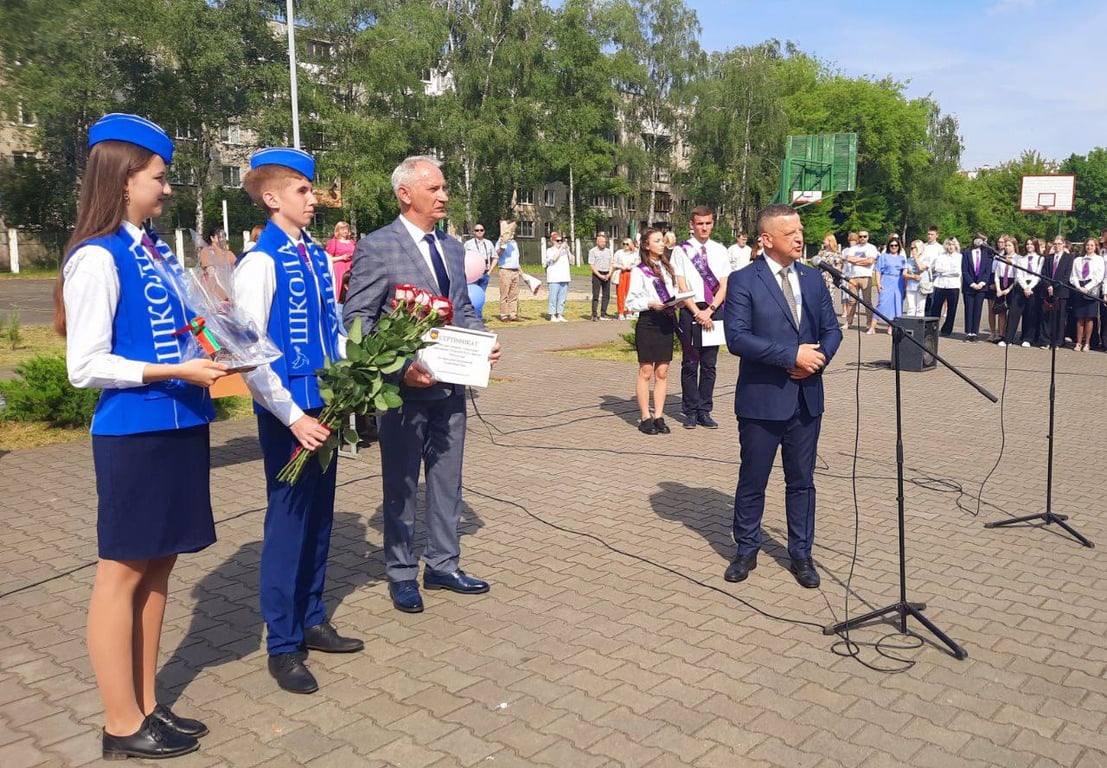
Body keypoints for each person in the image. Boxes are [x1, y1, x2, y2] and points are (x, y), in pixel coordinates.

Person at [60, 114, 228, 760]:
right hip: (133, 434)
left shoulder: (153, 249)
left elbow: (185, 327)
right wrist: (175, 369)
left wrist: (218, 344)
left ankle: (147, 705)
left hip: (180, 424)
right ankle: (119, 723)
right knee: (120, 574)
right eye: (159, 178)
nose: (166, 189)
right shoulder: (96, 256)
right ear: (124, 178)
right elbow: (85, 366)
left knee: (159, 568)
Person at [343, 155, 501, 614]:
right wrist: (401, 366)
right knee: (402, 483)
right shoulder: (377, 246)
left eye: (445, 187)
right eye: (434, 188)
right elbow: (359, 321)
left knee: (448, 482)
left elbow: (463, 310)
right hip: (403, 392)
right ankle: (400, 572)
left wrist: (483, 343)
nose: (444, 196)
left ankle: (443, 564)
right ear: (406, 193)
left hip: (451, 389)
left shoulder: (452, 248)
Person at [235, 147, 363, 695]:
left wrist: (349, 379)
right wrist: (291, 417)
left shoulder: (312, 253)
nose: (314, 199)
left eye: (311, 191)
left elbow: (329, 326)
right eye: (303, 192)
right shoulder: (260, 263)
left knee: (319, 517)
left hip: (325, 407)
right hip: (289, 414)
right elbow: (250, 354)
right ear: (272, 198)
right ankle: (283, 644)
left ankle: (312, 618)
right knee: (287, 523)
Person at [722, 204, 842, 588]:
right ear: (767, 239)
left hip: (807, 397)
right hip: (762, 399)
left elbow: (832, 330)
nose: (799, 237)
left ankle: (801, 554)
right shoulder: (743, 280)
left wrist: (816, 360)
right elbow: (737, 337)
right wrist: (792, 355)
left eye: (800, 230)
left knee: (802, 481)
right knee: (753, 478)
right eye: (790, 233)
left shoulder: (812, 278)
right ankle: (746, 549)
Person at [671, 206, 729, 429]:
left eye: (708, 223)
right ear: (691, 225)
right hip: (691, 310)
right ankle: (690, 411)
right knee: (690, 362)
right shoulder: (681, 251)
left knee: (709, 364)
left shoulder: (720, 250)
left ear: (713, 223)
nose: (704, 228)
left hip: (714, 310)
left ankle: (705, 410)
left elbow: (724, 284)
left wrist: (710, 310)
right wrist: (697, 312)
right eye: (700, 224)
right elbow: (682, 285)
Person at [625, 227, 685, 435]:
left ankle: (659, 415)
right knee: (646, 371)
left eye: (662, 240)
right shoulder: (639, 270)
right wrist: (650, 303)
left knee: (662, 371)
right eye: (657, 240)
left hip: (667, 320)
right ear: (646, 245)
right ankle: (645, 417)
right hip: (649, 321)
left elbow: (674, 292)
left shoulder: (669, 268)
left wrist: (678, 301)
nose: (661, 244)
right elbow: (630, 301)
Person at [1004, 237, 1042, 347]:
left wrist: (1030, 287)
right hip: (1021, 286)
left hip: (1033, 286)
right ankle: (1008, 339)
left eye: (1031, 244)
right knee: (1014, 313)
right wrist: (1025, 287)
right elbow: (1019, 274)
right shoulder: (1022, 259)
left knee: (1030, 313)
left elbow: (1038, 275)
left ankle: (1027, 338)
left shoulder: (1040, 259)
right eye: (1027, 244)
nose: (1029, 246)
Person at [1069, 237, 1105, 352]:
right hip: (1079, 288)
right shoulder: (1078, 260)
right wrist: (1079, 287)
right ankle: (1079, 342)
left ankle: (1087, 343)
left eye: (1092, 245)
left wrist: (1087, 288)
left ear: (1096, 247)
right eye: (1087, 245)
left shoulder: (1099, 260)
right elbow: (1073, 276)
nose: (1089, 247)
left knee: (1089, 318)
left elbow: (1099, 277)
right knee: (1079, 318)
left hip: (1091, 289)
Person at [1040, 236, 1073, 348]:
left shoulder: (1069, 258)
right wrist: (1048, 285)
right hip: (1048, 291)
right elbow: (1043, 273)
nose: (1057, 246)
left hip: (1061, 292)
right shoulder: (1048, 258)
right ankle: (1046, 340)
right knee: (1047, 316)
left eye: (1059, 244)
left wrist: (1055, 287)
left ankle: (1057, 342)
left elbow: (1066, 276)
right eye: (1055, 244)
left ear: (1064, 244)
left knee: (1059, 318)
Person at [960, 233, 994, 341]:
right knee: (969, 308)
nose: (984, 243)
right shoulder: (967, 253)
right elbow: (964, 270)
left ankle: (975, 332)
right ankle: (968, 332)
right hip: (969, 286)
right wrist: (972, 283)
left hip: (981, 286)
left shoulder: (987, 254)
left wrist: (982, 283)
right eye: (982, 240)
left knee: (978, 309)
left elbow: (987, 271)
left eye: (985, 241)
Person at [843, 230, 877, 330]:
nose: (862, 238)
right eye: (860, 236)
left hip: (866, 277)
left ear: (868, 237)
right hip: (853, 277)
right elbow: (849, 259)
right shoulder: (853, 248)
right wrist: (864, 260)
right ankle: (848, 322)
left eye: (864, 236)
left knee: (867, 301)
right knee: (851, 301)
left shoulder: (871, 248)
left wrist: (856, 261)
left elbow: (870, 261)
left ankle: (869, 323)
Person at [873, 236, 906, 332]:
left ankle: (891, 327)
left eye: (896, 245)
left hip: (898, 282)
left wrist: (905, 287)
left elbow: (904, 273)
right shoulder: (883, 257)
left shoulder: (902, 258)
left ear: (899, 247)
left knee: (896, 304)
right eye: (892, 245)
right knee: (882, 303)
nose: (894, 247)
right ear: (889, 246)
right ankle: (872, 326)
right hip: (886, 280)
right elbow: (878, 271)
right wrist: (878, 283)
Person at [931, 237, 962, 337]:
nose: (950, 247)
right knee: (936, 308)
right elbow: (937, 268)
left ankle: (947, 330)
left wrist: (945, 271)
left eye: (952, 245)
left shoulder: (959, 257)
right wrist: (947, 271)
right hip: (940, 284)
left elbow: (957, 272)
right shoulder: (941, 256)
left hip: (953, 285)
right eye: (948, 245)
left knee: (951, 309)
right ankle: (933, 328)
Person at [491, 220, 520, 321]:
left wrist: (521, 272)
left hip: (515, 270)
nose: (513, 232)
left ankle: (513, 314)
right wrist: (502, 246)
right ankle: (504, 315)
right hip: (505, 270)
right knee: (504, 294)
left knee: (514, 294)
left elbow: (516, 259)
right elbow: (497, 254)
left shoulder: (514, 243)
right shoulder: (501, 241)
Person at [992, 237, 1019, 344]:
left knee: (1011, 312)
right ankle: (1001, 334)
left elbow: (1017, 276)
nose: (1007, 248)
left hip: (1012, 286)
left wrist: (1008, 289)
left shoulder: (1018, 259)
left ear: (1014, 246)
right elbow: (997, 274)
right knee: (1001, 311)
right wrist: (998, 289)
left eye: (1009, 245)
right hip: (1001, 283)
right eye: (1006, 245)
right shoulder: (1001, 258)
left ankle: (1009, 336)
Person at [324, 221, 355, 306]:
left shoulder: (352, 242)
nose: (345, 231)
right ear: (338, 231)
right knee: (340, 287)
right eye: (343, 229)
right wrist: (341, 257)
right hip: (339, 268)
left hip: (351, 267)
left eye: (346, 229)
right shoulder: (334, 242)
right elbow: (328, 258)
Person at [544, 231, 571, 321]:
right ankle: (552, 314)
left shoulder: (564, 251)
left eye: (561, 240)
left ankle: (560, 313)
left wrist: (568, 250)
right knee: (553, 297)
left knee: (562, 297)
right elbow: (554, 259)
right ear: (553, 241)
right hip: (554, 278)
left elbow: (572, 261)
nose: (560, 242)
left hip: (565, 276)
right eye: (558, 240)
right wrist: (560, 249)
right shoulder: (550, 250)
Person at [588, 232, 614, 320]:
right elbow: (592, 265)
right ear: (597, 242)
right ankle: (594, 314)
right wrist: (599, 275)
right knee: (596, 295)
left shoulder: (608, 251)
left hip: (607, 273)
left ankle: (604, 313)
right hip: (597, 274)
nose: (604, 243)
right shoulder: (593, 251)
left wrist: (609, 273)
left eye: (605, 242)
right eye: (602, 242)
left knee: (606, 295)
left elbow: (611, 263)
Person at [612, 237, 639, 319]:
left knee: (630, 293)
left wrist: (632, 266)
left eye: (627, 244)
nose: (625, 245)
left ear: (630, 244)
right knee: (620, 294)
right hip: (621, 273)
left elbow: (638, 262)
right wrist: (621, 266)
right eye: (623, 244)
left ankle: (629, 311)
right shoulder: (619, 253)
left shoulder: (634, 253)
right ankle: (620, 312)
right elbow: (613, 263)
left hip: (631, 274)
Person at [920, 226, 944, 316]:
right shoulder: (923, 246)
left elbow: (940, 262)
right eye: (928, 234)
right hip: (924, 275)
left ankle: (930, 318)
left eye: (932, 234)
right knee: (923, 299)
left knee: (932, 299)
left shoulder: (940, 248)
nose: (929, 236)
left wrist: (932, 270)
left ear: (937, 235)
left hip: (935, 276)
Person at [903, 239, 927, 318]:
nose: (912, 250)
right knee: (911, 308)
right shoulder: (909, 260)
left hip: (922, 286)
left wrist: (916, 258)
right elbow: (904, 273)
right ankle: (911, 326)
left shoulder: (926, 258)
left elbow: (921, 268)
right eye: (911, 248)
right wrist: (913, 276)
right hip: (911, 286)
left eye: (914, 248)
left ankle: (919, 327)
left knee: (920, 308)